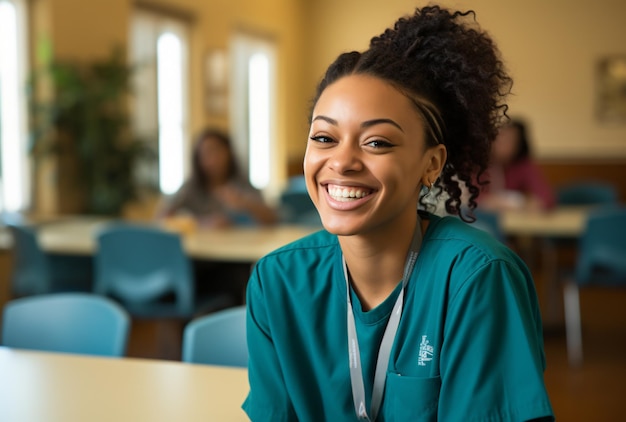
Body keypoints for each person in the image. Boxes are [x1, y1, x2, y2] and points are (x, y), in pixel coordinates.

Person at [243, 5, 554, 422]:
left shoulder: (476, 277)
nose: (342, 161)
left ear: (431, 164)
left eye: (377, 143)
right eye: (323, 137)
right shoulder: (277, 281)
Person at [157, 127, 277, 228]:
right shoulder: (190, 188)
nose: (213, 159)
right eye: (206, 154)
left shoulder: (241, 184)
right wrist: (201, 223)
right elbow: (162, 217)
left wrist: (244, 203)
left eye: (217, 151)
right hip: (199, 251)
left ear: (229, 153)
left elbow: (272, 219)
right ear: (198, 160)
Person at [479, 118, 556, 212]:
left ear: (519, 143)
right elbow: (467, 198)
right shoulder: (478, 164)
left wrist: (525, 203)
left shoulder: (523, 164)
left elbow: (546, 198)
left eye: (510, 140)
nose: (503, 144)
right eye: (499, 138)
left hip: (513, 221)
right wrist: (488, 201)